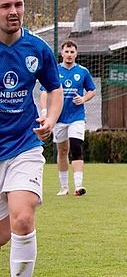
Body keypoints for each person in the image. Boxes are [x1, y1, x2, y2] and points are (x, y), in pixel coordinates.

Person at [0, 0, 63, 277]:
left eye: (18, 4)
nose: (14, 12)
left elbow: (53, 89)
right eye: (6, 6)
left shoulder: (38, 49)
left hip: (24, 146)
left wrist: (51, 119)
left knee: (23, 218)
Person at [39, 40, 97, 196]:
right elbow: (44, 92)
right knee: (62, 150)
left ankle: (78, 186)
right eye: (67, 51)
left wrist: (83, 99)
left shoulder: (83, 71)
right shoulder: (54, 70)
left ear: (76, 54)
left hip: (77, 117)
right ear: (62, 53)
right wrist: (45, 110)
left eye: (72, 52)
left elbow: (92, 90)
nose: (69, 55)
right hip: (59, 118)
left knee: (76, 147)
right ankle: (64, 187)